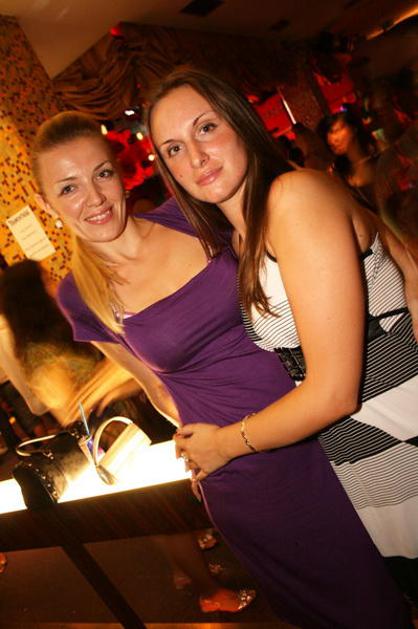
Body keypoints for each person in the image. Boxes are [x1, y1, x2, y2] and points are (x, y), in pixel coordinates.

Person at [31, 110, 413, 628]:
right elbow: (155, 386)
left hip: (328, 424)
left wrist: (404, 270)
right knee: (355, 613)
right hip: (251, 474)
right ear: (47, 204)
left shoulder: (191, 215)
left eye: (101, 174)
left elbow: (317, 228)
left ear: (120, 173)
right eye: (69, 188)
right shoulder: (80, 295)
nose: (94, 199)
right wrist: (200, 445)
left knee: (400, 575)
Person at [146, 68, 418, 609]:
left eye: (206, 128)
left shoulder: (293, 197)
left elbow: (333, 392)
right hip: (370, 466)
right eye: (174, 148)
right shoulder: (243, 237)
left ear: (241, 122)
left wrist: (224, 445)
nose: (195, 157)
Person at [318, 107, 380, 210]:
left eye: (337, 130)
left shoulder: (378, 151)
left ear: (354, 128)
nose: (332, 139)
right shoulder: (337, 172)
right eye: (328, 133)